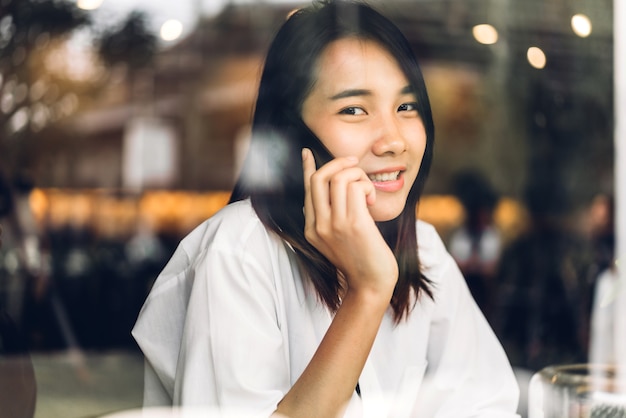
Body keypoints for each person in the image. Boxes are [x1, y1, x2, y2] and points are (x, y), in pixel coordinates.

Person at [132, 1, 520, 417]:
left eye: (406, 107)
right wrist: (369, 290)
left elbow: (488, 404)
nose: (393, 140)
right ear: (290, 133)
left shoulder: (422, 247)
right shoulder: (238, 252)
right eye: (354, 109)